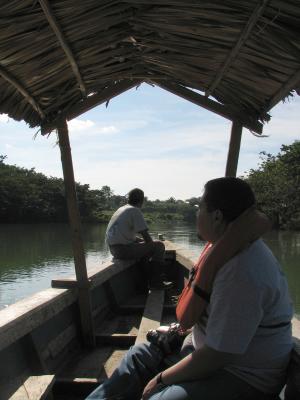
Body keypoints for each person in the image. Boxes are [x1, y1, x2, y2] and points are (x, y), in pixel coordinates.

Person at [88, 178, 293, 400]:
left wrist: (160, 379)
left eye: (200, 208)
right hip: (201, 350)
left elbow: (218, 356)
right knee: (137, 356)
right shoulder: (222, 248)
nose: (196, 214)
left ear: (217, 216)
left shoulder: (242, 272)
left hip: (242, 374)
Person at [106, 187, 172, 290]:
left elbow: (126, 235)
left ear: (129, 199)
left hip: (114, 249)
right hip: (122, 250)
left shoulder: (122, 209)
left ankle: (144, 282)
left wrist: (142, 243)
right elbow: (147, 238)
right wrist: (152, 245)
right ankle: (156, 282)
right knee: (159, 246)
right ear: (142, 200)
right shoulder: (134, 210)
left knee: (146, 249)